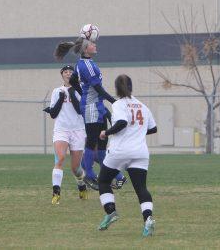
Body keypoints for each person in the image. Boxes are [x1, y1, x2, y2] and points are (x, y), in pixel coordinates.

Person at [53, 35, 127, 190]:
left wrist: (86, 95)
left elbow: (74, 81)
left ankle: (112, 176)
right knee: (92, 142)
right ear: (86, 49)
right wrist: (116, 102)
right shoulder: (87, 65)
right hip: (91, 108)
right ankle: (89, 175)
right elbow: (99, 89)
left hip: (96, 105)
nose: (95, 45)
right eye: (92, 43)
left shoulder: (84, 63)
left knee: (101, 145)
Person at [97, 74, 157, 237]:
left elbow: (122, 123)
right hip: (140, 152)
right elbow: (153, 129)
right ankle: (148, 220)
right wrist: (137, 131)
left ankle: (111, 211)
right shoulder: (142, 106)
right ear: (131, 87)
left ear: (116, 89)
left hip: (120, 151)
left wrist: (106, 133)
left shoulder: (118, 104)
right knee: (141, 188)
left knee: (103, 181)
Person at [44, 65, 88, 204]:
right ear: (62, 75)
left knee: (75, 168)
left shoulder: (80, 89)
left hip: (78, 130)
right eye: (65, 72)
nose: (68, 73)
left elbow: (79, 110)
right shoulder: (57, 91)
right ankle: (56, 193)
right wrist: (61, 98)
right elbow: (54, 113)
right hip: (61, 130)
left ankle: (81, 185)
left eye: (71, 72)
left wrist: (72, 92)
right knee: (60, 159)